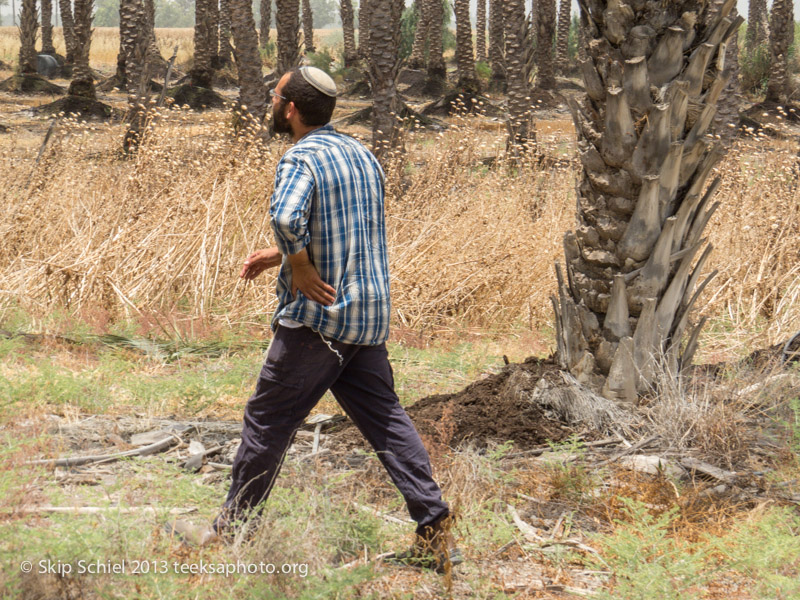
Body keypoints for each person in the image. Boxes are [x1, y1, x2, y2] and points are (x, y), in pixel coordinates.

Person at [170, 67, 461, 572]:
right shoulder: (362, 155)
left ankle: (230, 534)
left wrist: (299, 264)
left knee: (267, 420)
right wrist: (283, 258)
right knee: (386, 421)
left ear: (291, 109)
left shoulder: (300, 157)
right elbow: (348, 235)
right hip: (366, 319)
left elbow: (287, 218)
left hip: (318, 322)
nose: (271, 101)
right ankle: (436, 532)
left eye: (275, 95)